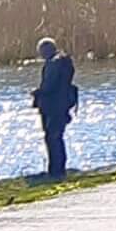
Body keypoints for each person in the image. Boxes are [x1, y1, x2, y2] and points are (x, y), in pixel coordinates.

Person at [31, 36, 79, 178]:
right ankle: (58, 168)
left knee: (52, 137)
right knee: (57, 136)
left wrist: (38, 92)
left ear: (46, 50)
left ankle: (55, 170)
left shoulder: (53, 63)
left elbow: (49, 86)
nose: (41, 54)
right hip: (62, 104)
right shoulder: (64, 61)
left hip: (52, 106)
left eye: (42, 51)